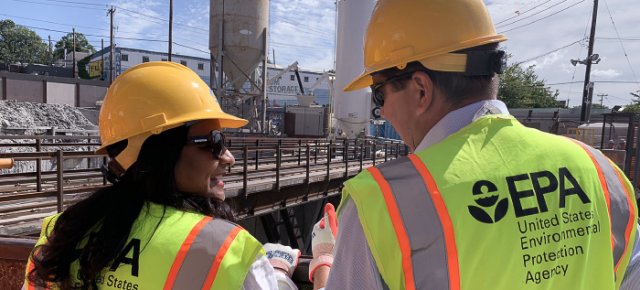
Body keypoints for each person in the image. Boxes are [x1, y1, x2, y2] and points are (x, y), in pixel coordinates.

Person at [310, 1, 639, 289]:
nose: (381, 111)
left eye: (380, 94)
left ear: (420, 90)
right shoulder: (601, 174)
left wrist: (325, 261)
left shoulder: (382, 206)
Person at [23, 61, 299, 290]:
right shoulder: (229, 251)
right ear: (161, 152)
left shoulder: (60, 232)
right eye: (214, 141)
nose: (229, 157)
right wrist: (278, 273)